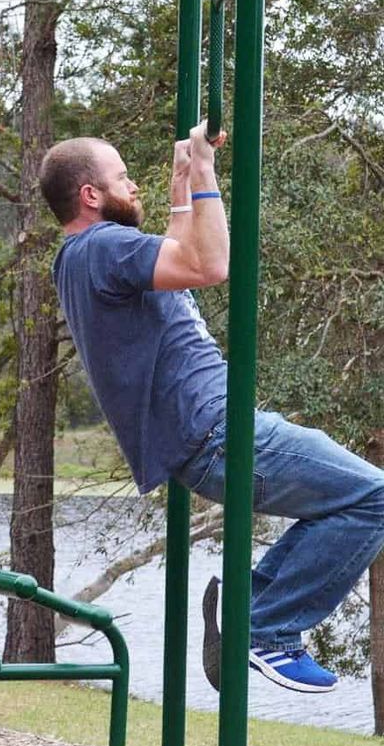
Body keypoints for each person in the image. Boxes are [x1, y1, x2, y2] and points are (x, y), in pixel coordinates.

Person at [39, 122, 384, 695]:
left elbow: (178, 255)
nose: (134, 187)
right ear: (90, 195)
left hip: (205, 433)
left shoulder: (81, 258)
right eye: (123, 178)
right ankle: (265, 629)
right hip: (215, 429)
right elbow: (210, 265)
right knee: (373, 497)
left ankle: (251, 618)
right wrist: (203, 175)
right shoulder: (106, 245)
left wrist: (182, 183)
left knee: (351, 499)